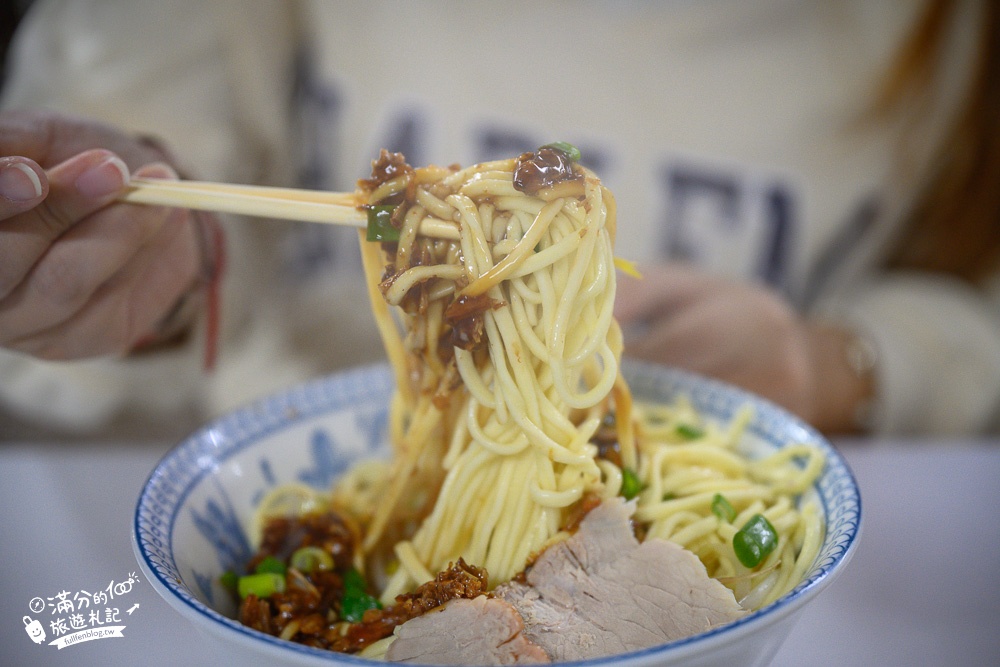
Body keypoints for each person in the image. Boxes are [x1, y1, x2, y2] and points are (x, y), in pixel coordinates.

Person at [1, 0, 996, 439]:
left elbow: (975, 301)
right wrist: (151, 267)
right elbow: (167, 152)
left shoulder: (949, 32)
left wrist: (834, 363)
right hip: (276, 467)